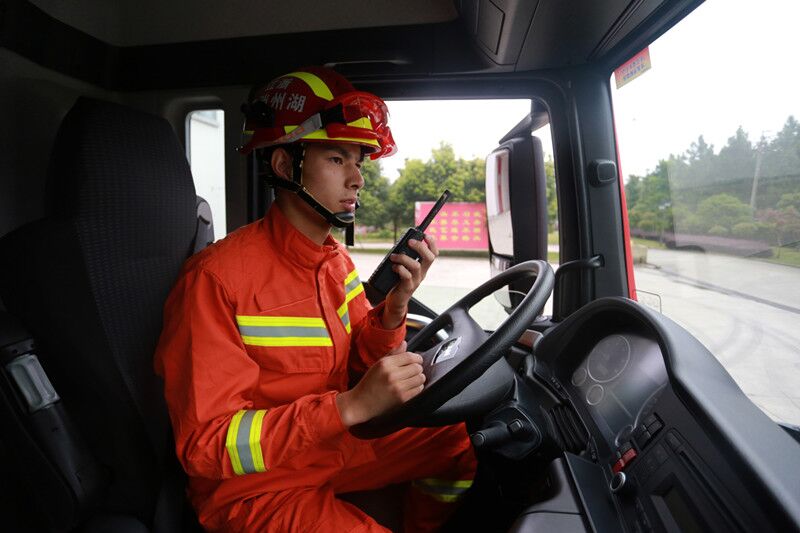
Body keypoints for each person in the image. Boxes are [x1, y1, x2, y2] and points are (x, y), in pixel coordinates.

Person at [154, 66, 476, 532]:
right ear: (287, 167)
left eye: (359, 163)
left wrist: (396, 307)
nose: (357, 180)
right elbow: (207, 444)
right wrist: (347, 408)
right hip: (252, 489)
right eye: (336, 159)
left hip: (330, 445)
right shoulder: (215, 280)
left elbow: (361, 363)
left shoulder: (336, 262)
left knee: (453, 441)